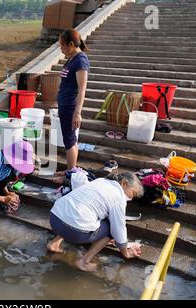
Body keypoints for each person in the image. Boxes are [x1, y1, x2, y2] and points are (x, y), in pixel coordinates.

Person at [46, 172, 144, 272]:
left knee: (76, 211)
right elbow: (118, 229)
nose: (131, 198)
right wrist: (126, 253)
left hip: (54, 218)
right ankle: (83, 262)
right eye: (133, 193)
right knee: (111, 228)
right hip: (74, 231)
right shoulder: (118, 197)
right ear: (124, 183)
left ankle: (54, 243)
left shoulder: (101, 181)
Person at [56, 28, 90, 170]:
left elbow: (82, 88)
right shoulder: (72, 59)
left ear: (70, 44)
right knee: (69, 139)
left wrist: (77, 112)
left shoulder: (80, 60)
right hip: (64, 105)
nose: (61, 49)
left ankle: (71, 173)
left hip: (70, 107)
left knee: (69, 141)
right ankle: (71, 171)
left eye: (62, 45)